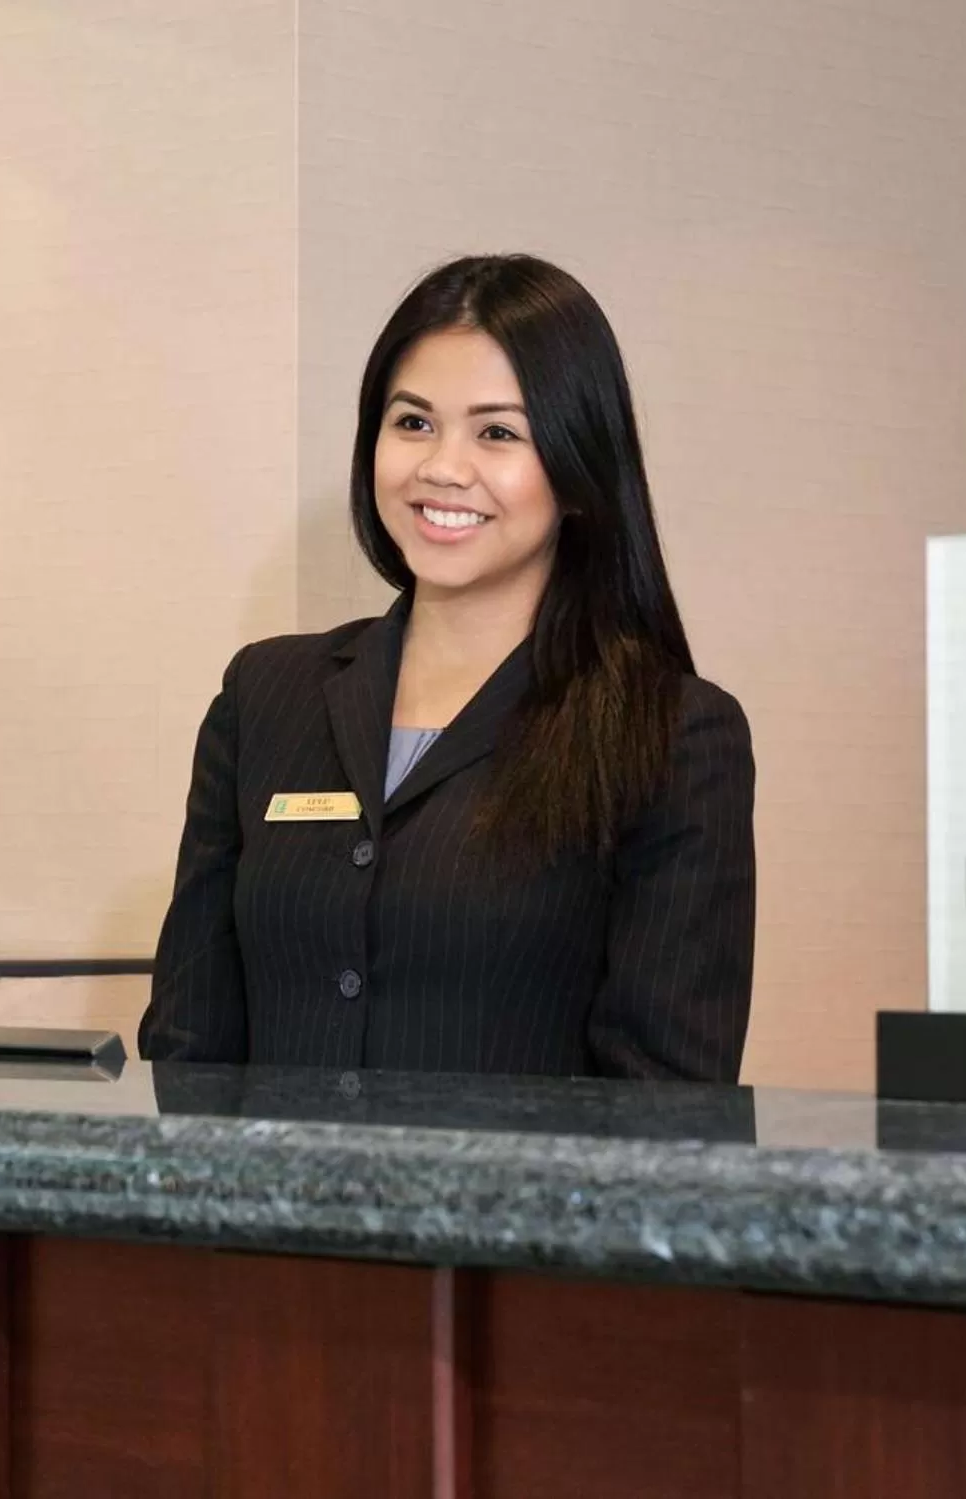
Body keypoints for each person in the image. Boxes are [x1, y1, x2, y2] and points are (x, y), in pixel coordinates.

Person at [139, 254, 754, 1080]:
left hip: (516, 1213)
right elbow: (187, 1047)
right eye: (414, 422)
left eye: (498, 432)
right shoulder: (264, 696)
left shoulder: (674, 734)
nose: (442, 468)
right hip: (264, 1209)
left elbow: (666, 1101)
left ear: (578, 472)